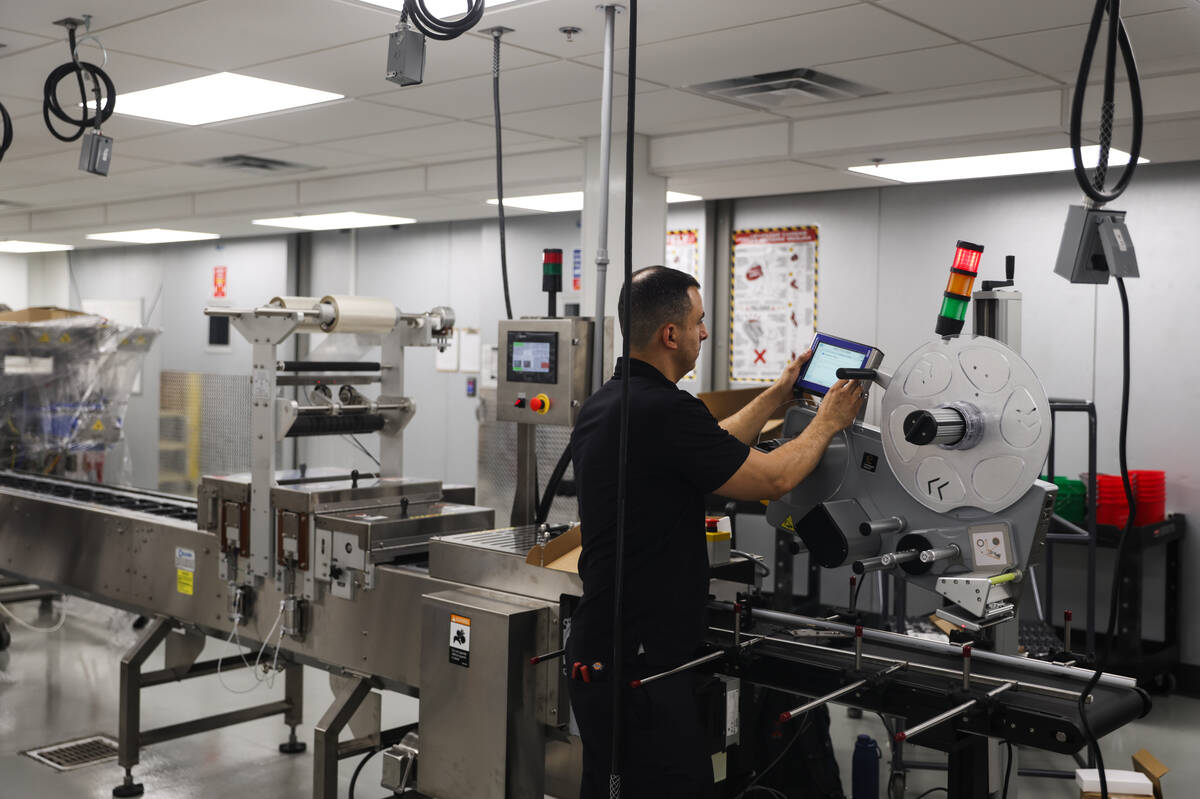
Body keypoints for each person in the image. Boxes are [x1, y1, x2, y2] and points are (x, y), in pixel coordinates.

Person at [567, 265, 865, 798]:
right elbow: (775, 477)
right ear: (670, 334)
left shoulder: (610, 403)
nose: (705, 332)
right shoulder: (664, 411)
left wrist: (779, 393)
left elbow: (713, 443)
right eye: (700, 321)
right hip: (642, 665)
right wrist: (829, 422)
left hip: (605, 650)